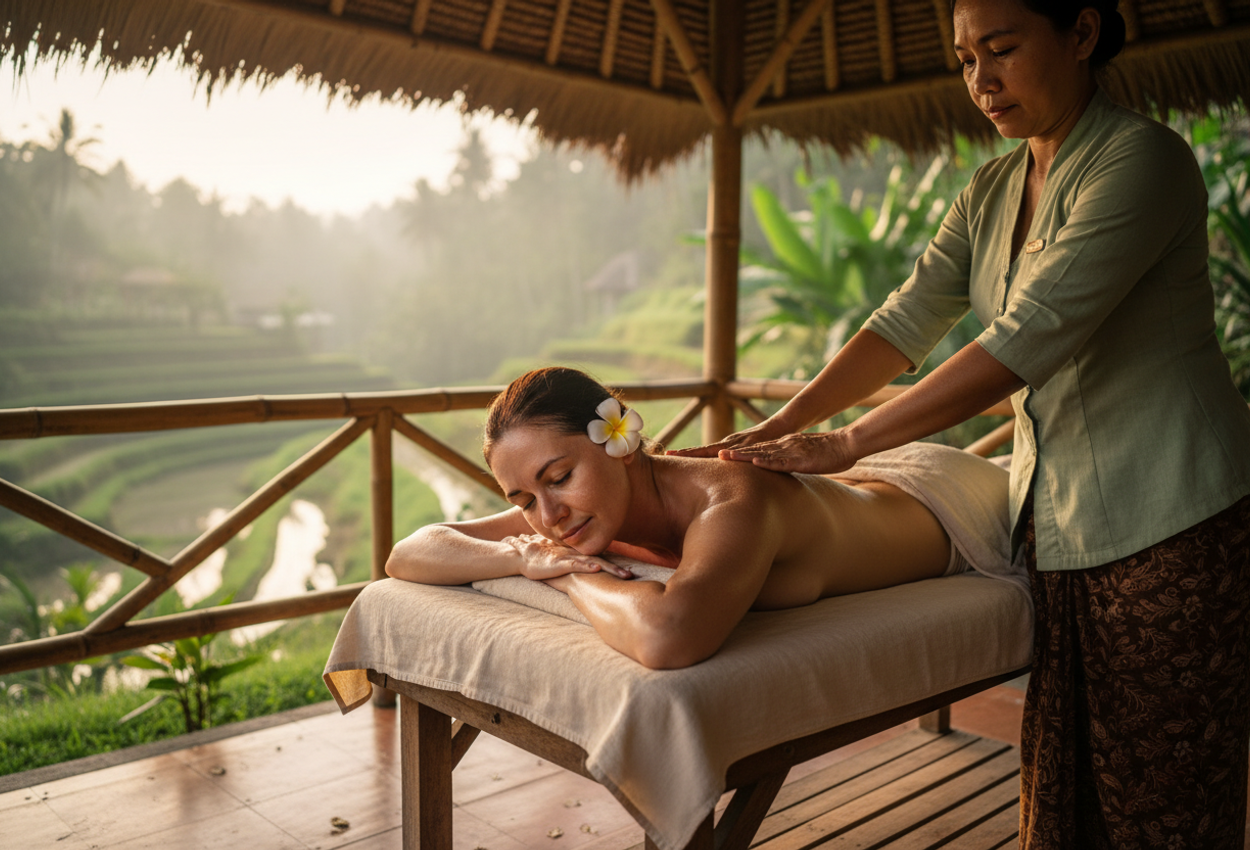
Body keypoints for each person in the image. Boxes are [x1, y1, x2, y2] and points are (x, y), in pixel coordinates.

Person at [674, 0, 1250, 845]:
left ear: (1082, 33)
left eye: (1003, 48)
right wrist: (776, 430)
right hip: (1059, 526)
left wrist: (847, 445)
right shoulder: (989, 189)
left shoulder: (1143, 162)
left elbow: (1025, 340)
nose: (981, 79)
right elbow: (902, 322)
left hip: (1175, 518)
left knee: (1161, 797)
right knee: (1062, 781)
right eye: (965, 58)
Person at [386, 366, 1022, 671]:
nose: (546, 515)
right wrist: (518, 553)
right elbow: (410, 552)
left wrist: (566, 573)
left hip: (953, 499)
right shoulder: (575, 511)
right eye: (523, 501)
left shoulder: (732, 499)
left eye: (558, 479)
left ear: (621, 442)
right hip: (863, 486)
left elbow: (669, 636)